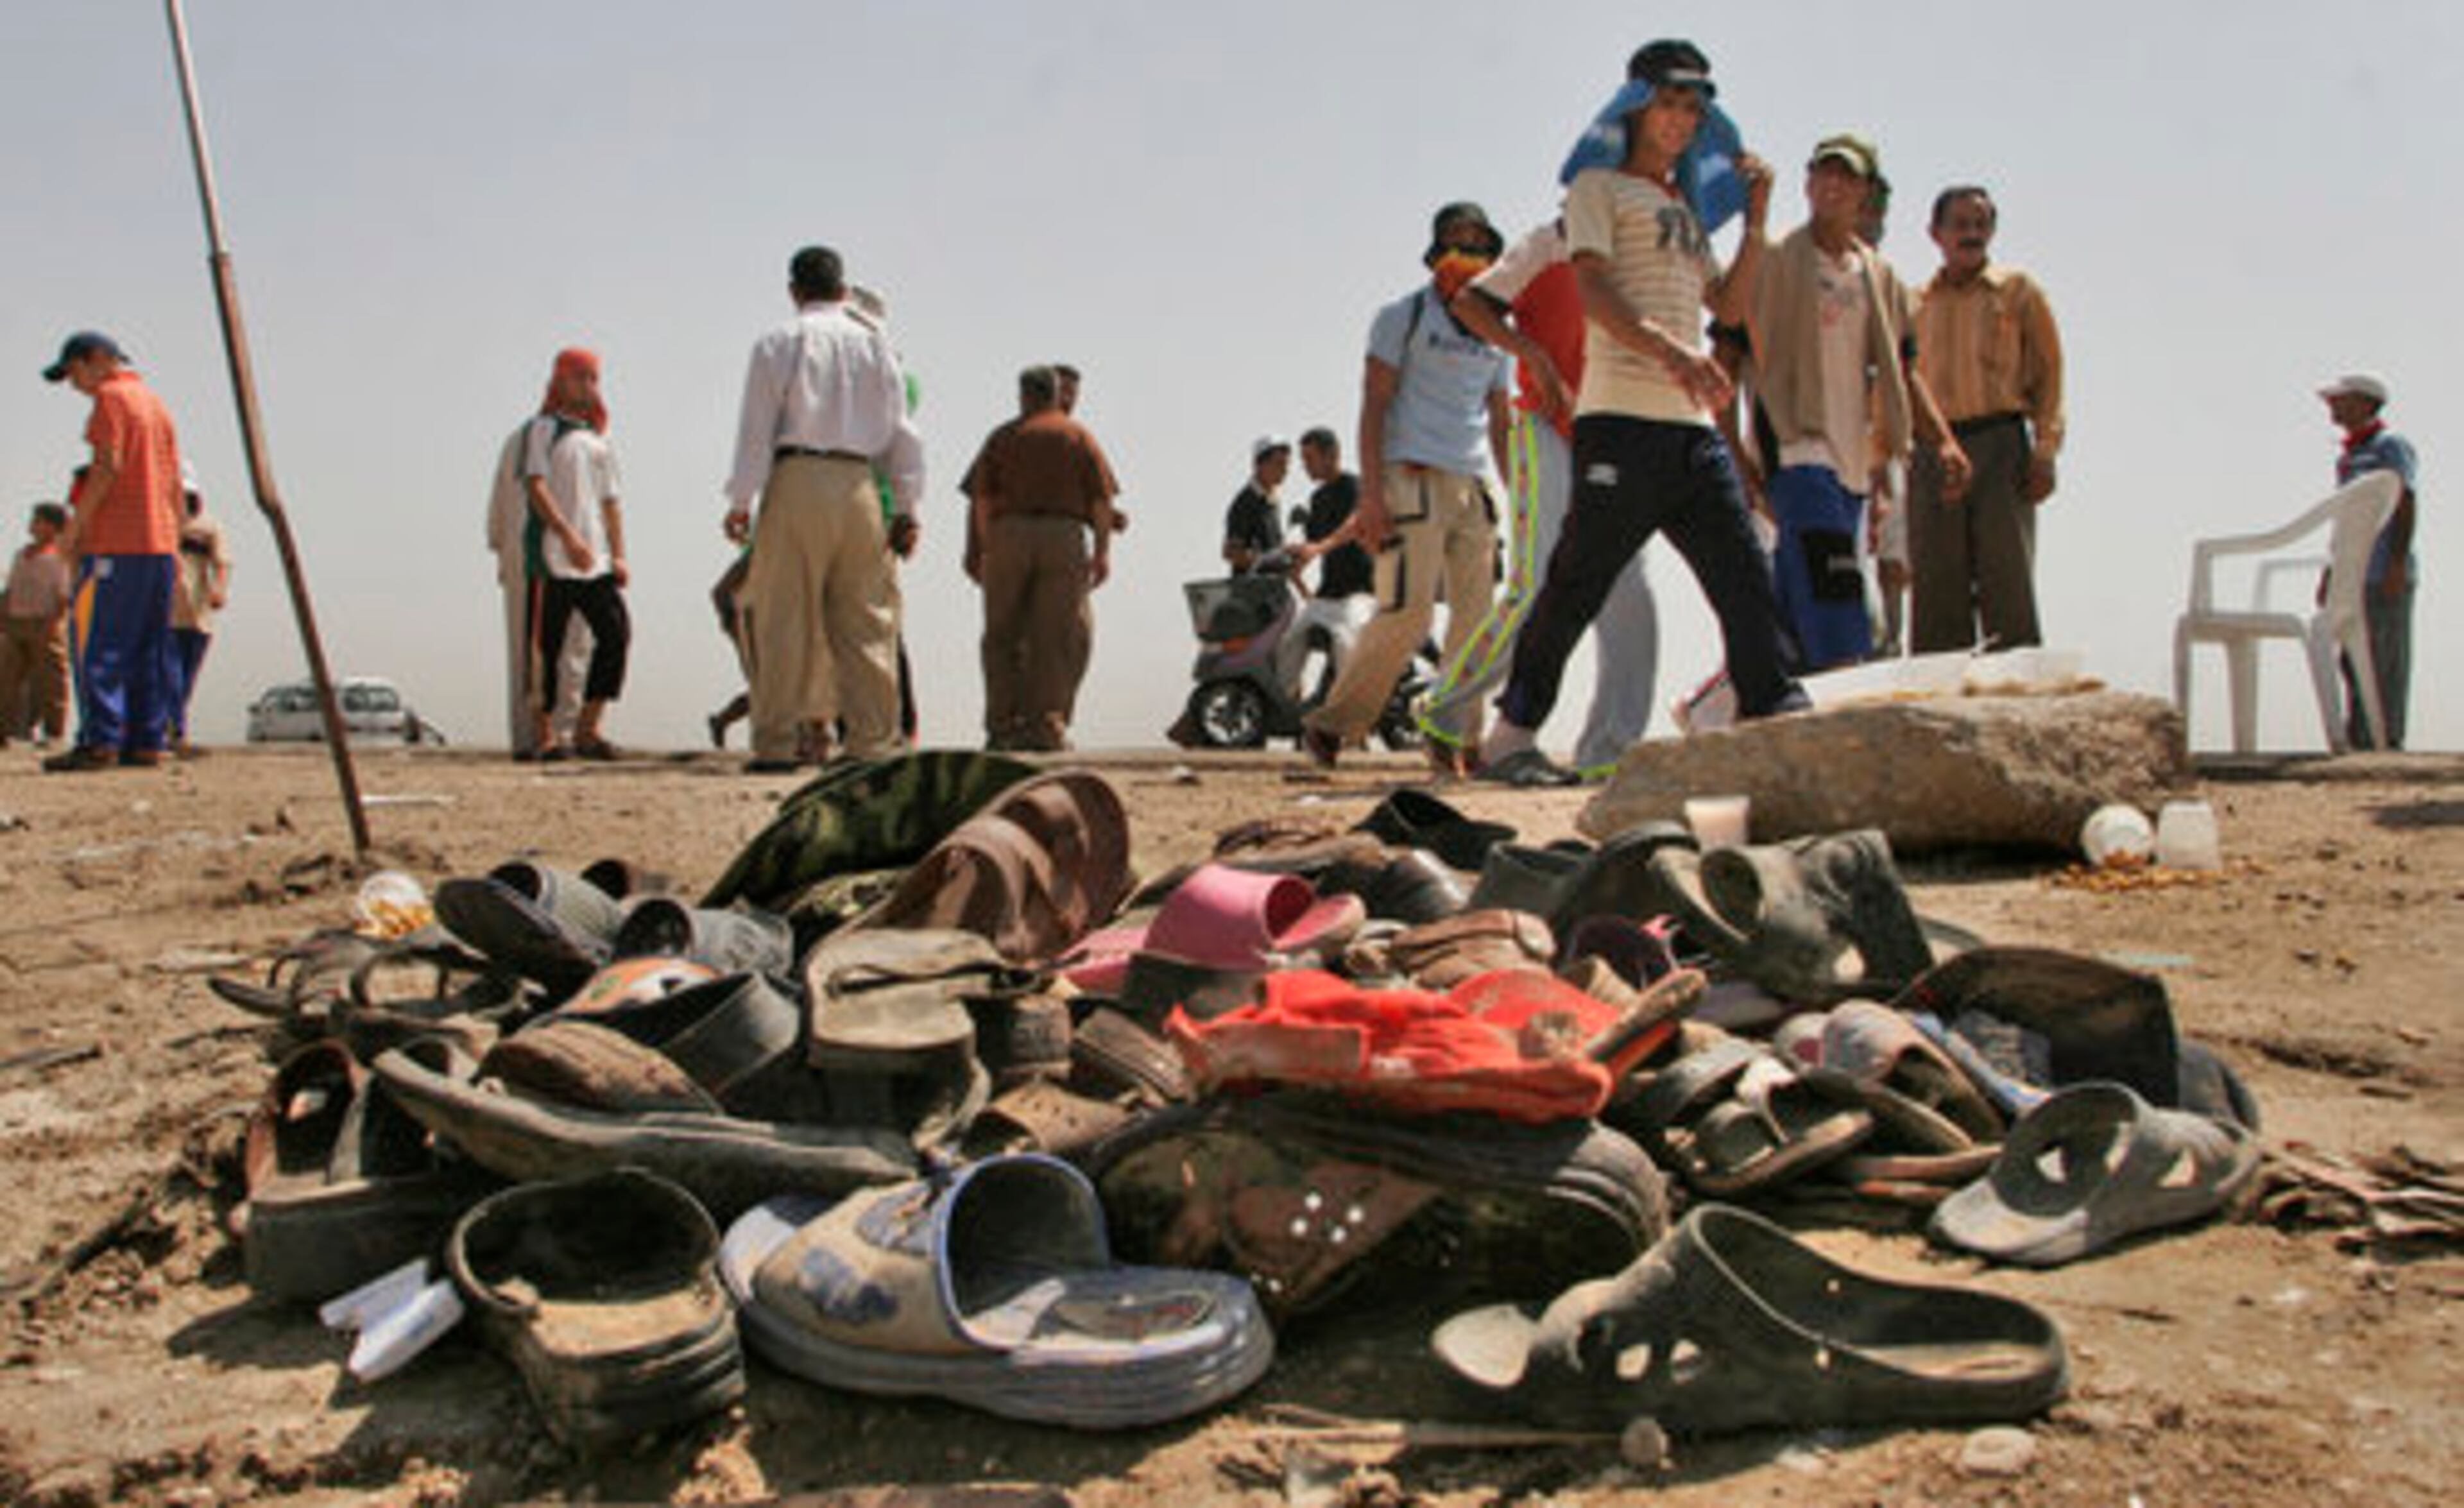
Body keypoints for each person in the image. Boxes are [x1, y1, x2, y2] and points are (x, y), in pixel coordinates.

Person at [1482, 42, 1807, 784]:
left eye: (1696, 108)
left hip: (1690, 432)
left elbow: (1725, 306)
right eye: (1671, 102)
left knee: (1746, 578)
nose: (1684, 119)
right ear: (1636, 106)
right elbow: (1595, 291)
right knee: (1577, 582)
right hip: (1620, 422)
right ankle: (1510, 737)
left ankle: (1776, 709)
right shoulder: (1596, 189)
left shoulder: (1685, 210)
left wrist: (1756, 224)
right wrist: (1674, 353)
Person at [1416, 212, 1662, 778]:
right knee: (1535, 585)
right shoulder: (1544, 245)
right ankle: (1443, 708)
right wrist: (1531, 353)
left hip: (1614, 432)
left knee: (1630, 590)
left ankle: (1611, 752)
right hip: (1544, 426)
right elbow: (1470, 305)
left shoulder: (1641, 248)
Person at [1299, 201, 1511, 770]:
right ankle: (1331, 724)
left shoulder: (1499, 334)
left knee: (1476, 619)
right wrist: (1371, 495)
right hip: (1410, 479)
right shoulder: (1404, 317)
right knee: (1408, 613)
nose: (1468, 255)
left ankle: (1457, 737)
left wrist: (1522, 499)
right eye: (1456, 243)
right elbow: (1374, 405)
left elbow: (1501, 423)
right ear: (1435, 253)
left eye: (1479, 245)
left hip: (1473, 487)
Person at [1747, 132, 1964, 672]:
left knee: (1798, 583)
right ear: (1808, 182)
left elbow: (1901, 369)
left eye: (1846, 176)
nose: (1833, 186)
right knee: (1833, 577)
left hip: (1855, 455)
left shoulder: (1878, 276)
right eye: (1824, 173)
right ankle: (1846, 680)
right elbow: (1729, 349)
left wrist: (1945, 442)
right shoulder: (1775, 261)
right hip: (1797, 445)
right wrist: (1737, 457)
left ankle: (1751, 692)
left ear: (1865, 191)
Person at [724, 244, 923, 772]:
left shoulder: (778, 342)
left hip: (796, 479)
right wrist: (906, 507)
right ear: (842, 289)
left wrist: (741, 500)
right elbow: (903, 434)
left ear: (795, 291)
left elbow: (755, 431)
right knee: (867, 619)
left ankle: (776, 745)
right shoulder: (878, 347)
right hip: (861, 482)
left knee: (783, 617)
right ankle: (873, 743)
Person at [1906, 184, 2066, 653]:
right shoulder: (1914, 304)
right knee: (1936, 591)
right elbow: (1896, 383)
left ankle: (2015, 710)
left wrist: (2045, 451)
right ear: (1935, 233)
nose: (1971, 234)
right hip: (1936, 452)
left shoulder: (2018, 293)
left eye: (1980, 224)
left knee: (2007, 586)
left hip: (2001, 446)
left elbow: (2051, 373)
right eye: (1960, 224)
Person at [41, 330, 183, 772]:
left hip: (118, 544)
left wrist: (74, 529)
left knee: (99, 644)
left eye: (75, 371)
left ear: (99, 359)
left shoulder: (111, 398)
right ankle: (146, 740)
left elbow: (107, 466)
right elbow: (175, 481)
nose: (75, 384)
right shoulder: (156, 404)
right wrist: (174, 540)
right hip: (158, 543)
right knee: (149, 646)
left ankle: (101, 740)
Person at [965, 364, 1119, 751]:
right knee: (1057, 634)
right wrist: (1102, 553)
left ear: (1022, 395)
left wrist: (986, 548)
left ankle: (1002, 727)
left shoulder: (1003, 437)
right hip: (1063, 537)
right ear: (1056, 393)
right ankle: (1047, 725)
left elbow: (981, 500)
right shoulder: (1078, 436)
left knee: (1001, 634)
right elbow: (1102, 502)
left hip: (1009, 534)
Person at [523, 348, 629, 760]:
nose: (587, 386)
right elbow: (536, 485)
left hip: (597, 562)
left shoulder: (599, 440)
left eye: (593, 379)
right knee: (547, 645)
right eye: (580, 377)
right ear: (561, 381)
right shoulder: (544, 430)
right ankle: (545, 734)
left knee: (616, 636)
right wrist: (567, 537)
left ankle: (588, 727)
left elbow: (611, 502)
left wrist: (618, 555)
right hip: (554, 558)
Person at [2318, 373, 2419, 750]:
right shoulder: (2348, 457)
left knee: (2386, 658)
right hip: (2352, 573)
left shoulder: (2390, 446)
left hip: (2383, 572)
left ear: (2364, 402)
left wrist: (2396, 562)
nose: (2333, 407)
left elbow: (2405, 501)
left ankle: (2387, 740)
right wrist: (2331, 570)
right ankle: (2360, 737)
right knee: (2352, 656)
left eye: (2340, 400)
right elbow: (2345, 520)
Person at [486, 412, 587, 758]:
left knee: (570, 648)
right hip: (540, 558)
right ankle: (544, 738)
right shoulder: (532, 439)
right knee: (541, 649)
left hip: (571, 561)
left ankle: (559, 734)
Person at [1279, 426, 1376, 698]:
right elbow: (1312, 548)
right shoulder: (1318, 499)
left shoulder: (1355, 487)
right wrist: (1293, 564)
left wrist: (1316, 548)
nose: (1305, 466)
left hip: (1360, 592)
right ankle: (1284, 711)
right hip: (1328, 594)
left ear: (1332, 455)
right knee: (1289, 643)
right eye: (1303, 460)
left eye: (1310, 459)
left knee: (1344, 644)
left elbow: (1352, 526)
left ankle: (1351, 718)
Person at [167, 468, 232, 755]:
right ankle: (167, 730)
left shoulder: (207, 528)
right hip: (163, 613)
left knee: (184, 677)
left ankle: (174, 730)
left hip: (196, 615)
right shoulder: (160, 524)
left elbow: (222, 563)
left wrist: (219, 589)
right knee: (165, 675)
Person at [0, 502, 74, 747]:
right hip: (16, 621)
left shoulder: (59, 557)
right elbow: (10, 590)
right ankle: (5, 730)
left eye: (38, 520)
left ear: (52, 527)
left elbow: (63, 596)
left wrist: (54, 624)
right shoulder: (22, 555)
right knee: (8, 679)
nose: (32, 524)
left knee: (51, 682)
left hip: (44, 623)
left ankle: (54, 733)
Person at [1222, 436, 1290, 573]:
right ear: (1259, 465)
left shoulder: (1272, 501)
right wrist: (1265, 560)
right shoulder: (1245, 503)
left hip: (1272, 588)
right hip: (1251, 591)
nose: (1285, 470)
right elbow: (1231, 553)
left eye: (1286, 464)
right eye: (1279, 464)